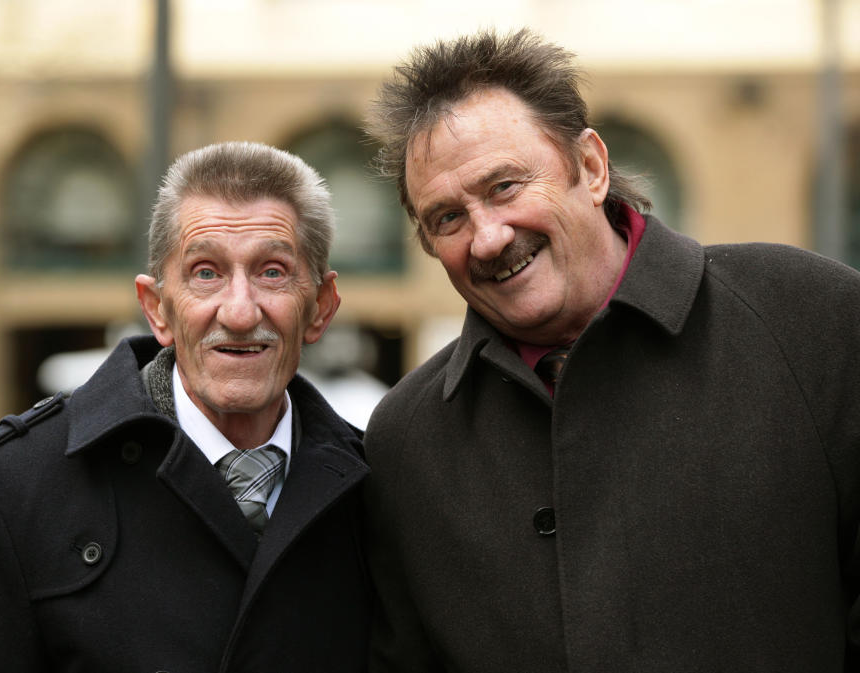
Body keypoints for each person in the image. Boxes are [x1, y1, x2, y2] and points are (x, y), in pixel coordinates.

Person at [362, 28, 860, 672]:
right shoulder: (407, 439)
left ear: (591, 168)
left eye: (505, 187)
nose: (486, 238)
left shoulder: (809, 317)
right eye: (447, 218)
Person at [0, 141, 372, 672]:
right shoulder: (10, 489)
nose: (237, 311)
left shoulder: (379, 491)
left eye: (272, 271)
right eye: (205, 272)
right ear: (157, 309)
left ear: (320, 308)